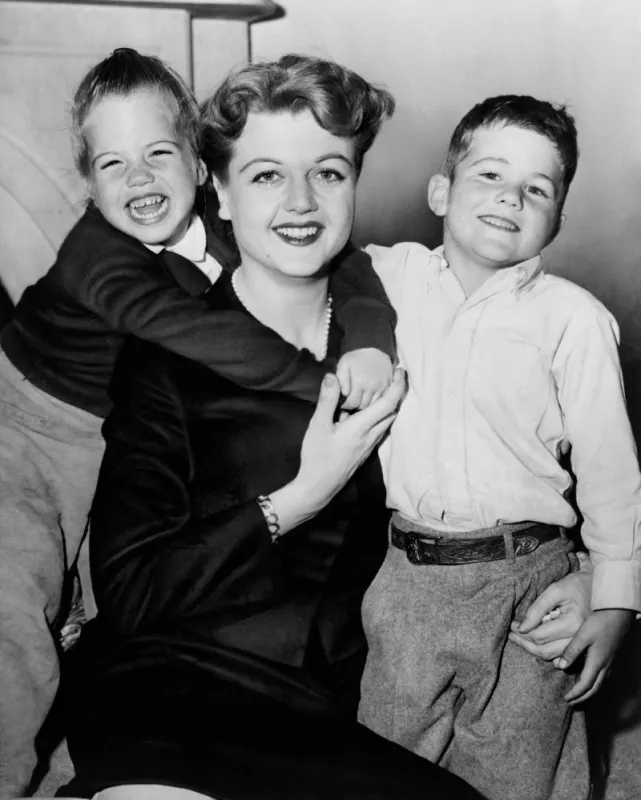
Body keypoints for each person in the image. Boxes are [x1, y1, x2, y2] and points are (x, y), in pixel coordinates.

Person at [60, 54, 485, 800]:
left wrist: (582, 577)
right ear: (219, 192)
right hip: (170, 687)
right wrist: (297, 499)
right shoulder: (163, 360)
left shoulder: (409, 323)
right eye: (265, 175)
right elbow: (129, 593)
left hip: (323, 708)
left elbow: (518, 458)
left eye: (327, 172)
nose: (300, 201)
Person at [0, 49, 399, 796]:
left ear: (195, 164)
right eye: (112, 164)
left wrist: (371, 343)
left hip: (107, 436)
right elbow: (209, 339)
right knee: (13, 615)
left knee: (92, 617)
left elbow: (348, 262)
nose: (139, 179)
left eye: (158, 153)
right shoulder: (102, 261)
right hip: (25, 427)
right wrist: (323, 393)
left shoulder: (225, 226)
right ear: (86, 182)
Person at [358, 94, 641, 800]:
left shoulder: (573, 319)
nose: (511, 197)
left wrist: (614, 600)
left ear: (557, 220)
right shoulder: (386, 277)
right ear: (440, 192)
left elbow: (611, 472)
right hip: (409, 577)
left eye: (536, 189)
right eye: (489, 175)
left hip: (529, 583)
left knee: (519, 770)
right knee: (382, 764)